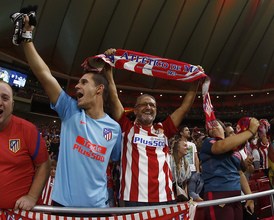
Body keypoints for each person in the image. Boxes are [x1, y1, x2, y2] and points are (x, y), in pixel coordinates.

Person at [21, 16, 122, 208]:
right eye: (78, 82)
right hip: (63, 206)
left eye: (84, 82)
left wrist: (109, 71)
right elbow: (44, 74)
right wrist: (27, 37)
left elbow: (116, 159)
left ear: (99, 90)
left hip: (98, 209)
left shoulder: (114, 129)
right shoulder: (70, 110)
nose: (77, 86)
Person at [104, 48, 201, 206]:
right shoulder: (126, 127)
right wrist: (108, 69)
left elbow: (184, 108)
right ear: (135, 110)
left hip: (164, 197)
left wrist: (194, 81)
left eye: (152, 105)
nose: (148, 107)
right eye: (144, 104)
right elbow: (114, 97)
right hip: (132, 198)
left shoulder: (164, 129)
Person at [0, 80, 50, 210]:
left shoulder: (27, 129)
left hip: (20, 214)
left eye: (4, 98)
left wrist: (32, 197)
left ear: (12, 105)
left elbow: (44, 165)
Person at [200, 118, 259, 219]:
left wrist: (249, 197)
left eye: (215, 125)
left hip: (236, 196)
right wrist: (250, 131)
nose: (212, 127)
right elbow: (222, 146)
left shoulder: (235, 151)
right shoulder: (208, 143)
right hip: (218, 195)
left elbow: (240, 174)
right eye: (209, 127)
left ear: (223, 129)